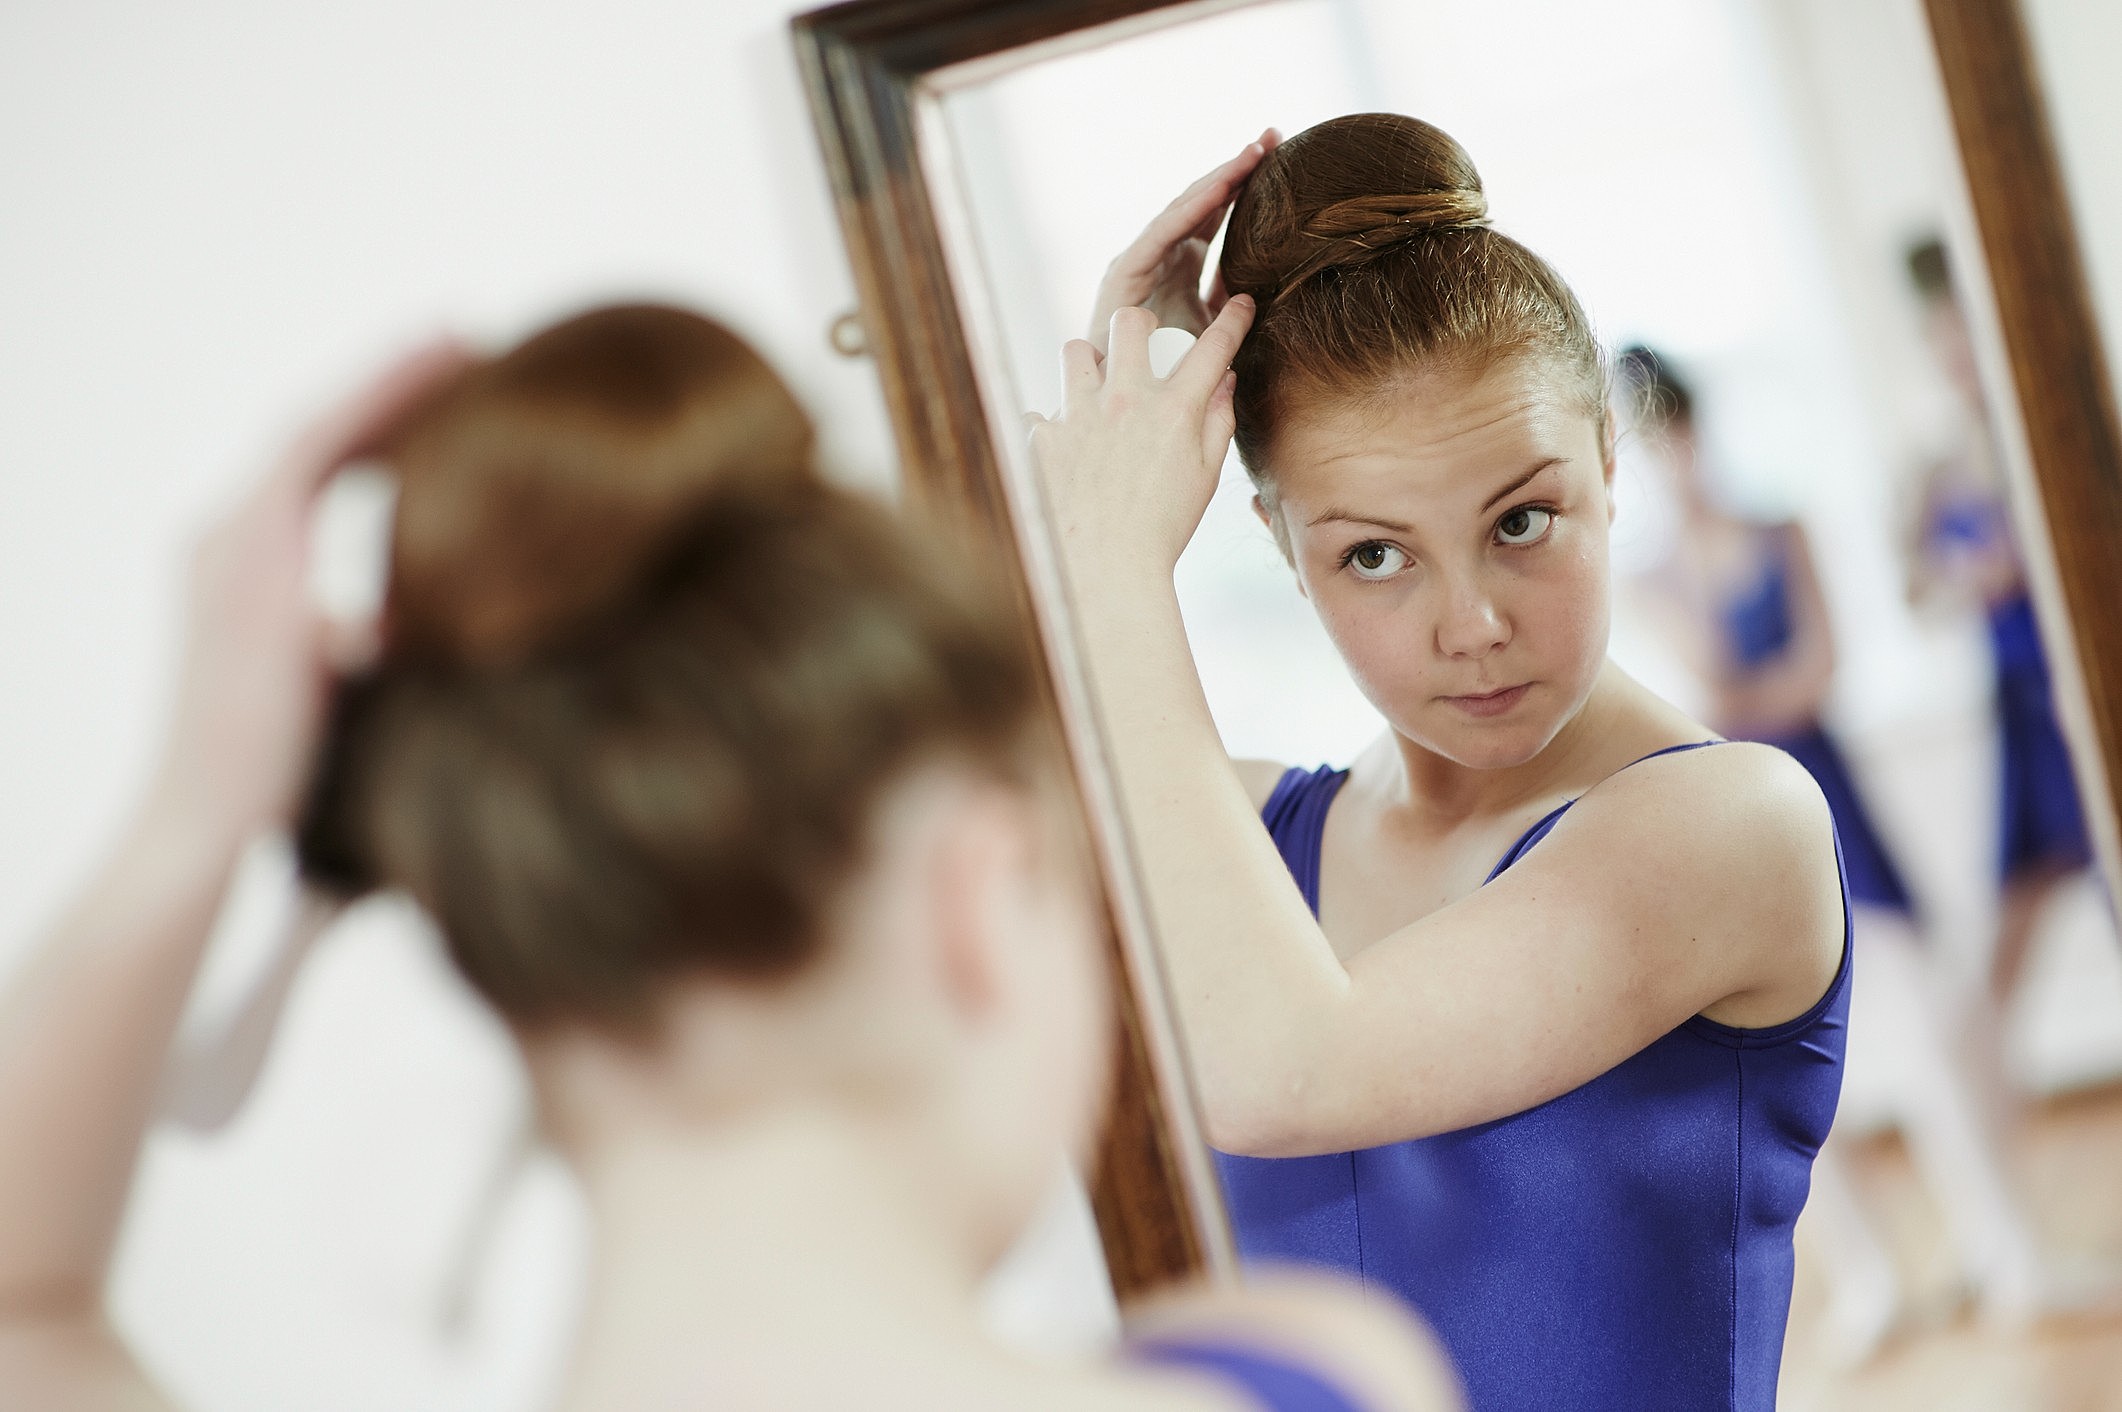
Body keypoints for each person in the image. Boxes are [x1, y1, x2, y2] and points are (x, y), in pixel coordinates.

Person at [0, 305, 1460, 1412]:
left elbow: (24, 1311)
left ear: (520, 963)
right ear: (976, 891)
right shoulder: (1300, 1374)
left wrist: (191, 819)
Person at [1028, 116, 1850, 1411]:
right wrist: (1104, 465)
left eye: (1519, 521)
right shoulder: (1237, 845)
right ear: (1278, 547)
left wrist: (1111, 567)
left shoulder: (1726, 827)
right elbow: (945, 784)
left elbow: (1287, 1074)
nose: (1469, 626)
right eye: (1372, 553)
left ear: (1607, 470)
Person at [1620, 344, 2049, 1349]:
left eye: (1676, 435)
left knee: (1941, 1014)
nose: (1671, 458)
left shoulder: (1780, 527)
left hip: (1832, 793)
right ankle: (1874, 1278)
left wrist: (1759, 696)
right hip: (1734, 822)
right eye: (1649, 445)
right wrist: (1748, 677)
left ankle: (2007, 1249)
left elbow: (1820, 668)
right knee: (1762, 1066)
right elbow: (1714, 687)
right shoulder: (1648, 572)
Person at [1902, 236, 2096, 1004]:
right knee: (2003, 942)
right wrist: (1966, 575)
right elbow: (1916, 592)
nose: (1955, 351)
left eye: (1965, 330)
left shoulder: (2060, 436)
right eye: (1939, 336)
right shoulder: (1939, 469)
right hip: (2020, 707)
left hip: (2085, 678)